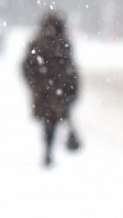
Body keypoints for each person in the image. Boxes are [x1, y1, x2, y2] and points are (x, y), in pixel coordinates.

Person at [22, 11, 80, 167]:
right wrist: (71, 90)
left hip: (45, 93)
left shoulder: (38, 44)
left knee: (49, 122)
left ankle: (48, 151)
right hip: (57, 92)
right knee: (53, 121)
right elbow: (71, 71)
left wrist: (36, 84)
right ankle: (49, 151)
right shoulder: (63, 44)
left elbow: (27, 68)